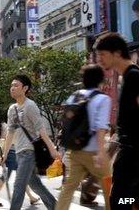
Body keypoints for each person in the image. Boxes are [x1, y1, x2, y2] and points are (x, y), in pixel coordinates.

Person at [56, 64, 112, 210]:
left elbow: (66, 122)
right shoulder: (102, 99)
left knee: (68, 188)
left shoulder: (73, 96)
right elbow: (101, 127)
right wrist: (100, 152)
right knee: (109, 187)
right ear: (100, 80)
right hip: (93, 151)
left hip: (75, 150)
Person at [94, 32, 139, 209]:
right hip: (129, 150)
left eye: (103, 54)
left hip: (132, 153)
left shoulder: (133, 76)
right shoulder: (125, 77)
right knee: (129, 200)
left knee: (119, 201)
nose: (99, 59)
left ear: (118, 53)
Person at [2, 75, 59, 210]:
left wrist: (52, 148)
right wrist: (5, 153)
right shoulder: (12, 109)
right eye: (12, 85)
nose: (12, 88)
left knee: (19, 185)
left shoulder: (30, 105)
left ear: (25, 88)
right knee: (35, 184)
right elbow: (10, 132)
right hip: (19, 151)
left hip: (30, 151)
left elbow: (41, 129)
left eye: (16, 85)